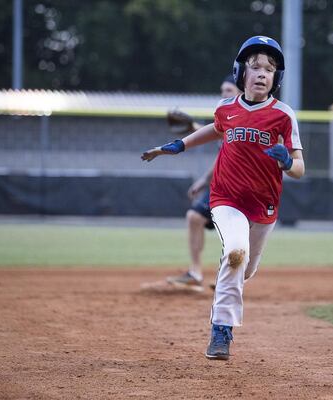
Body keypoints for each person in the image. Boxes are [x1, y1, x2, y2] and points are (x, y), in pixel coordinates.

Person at [141, 36, 305, 361]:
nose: (262, 73)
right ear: (240, 72)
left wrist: (286, 162)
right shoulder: (227, 108)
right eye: (255, 66)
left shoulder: (283, 116)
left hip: (265, 208)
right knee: (235, 251)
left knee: (244, 268)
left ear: (277, 78)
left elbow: (299, 167)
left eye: (269, 69)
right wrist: (179, 145)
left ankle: (231, 266)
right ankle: (221, 329)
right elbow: (216, 129)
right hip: (226, 198)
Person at [165, 76, 241, 292]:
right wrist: (204, 181)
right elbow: (219, 138)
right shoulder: (226, 117)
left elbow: (222, 136)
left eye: (228, 90)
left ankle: (230, 278)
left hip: (242, 187)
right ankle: (196, 272)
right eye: (222, 90)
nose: (223, 94)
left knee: (234, 232)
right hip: (222, 185)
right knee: (195, 217)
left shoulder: (243, 117)